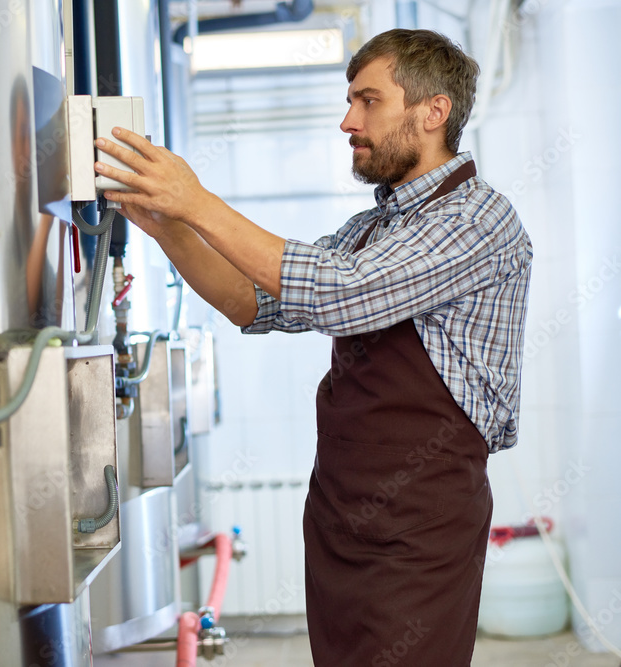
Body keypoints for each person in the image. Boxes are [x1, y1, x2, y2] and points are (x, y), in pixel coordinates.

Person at [94, 28, 532, 666]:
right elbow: (253, 299)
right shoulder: (374, 227)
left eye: (368, 101)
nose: (347, 119)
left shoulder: (476, 218)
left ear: (433, 112)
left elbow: (340, 294)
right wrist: (167, 224)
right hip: (341, 513)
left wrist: (198, 200)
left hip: (420, 528)